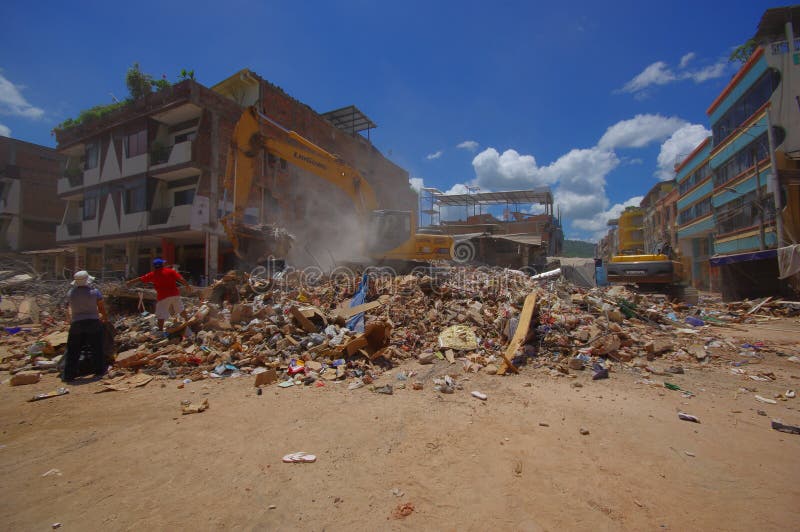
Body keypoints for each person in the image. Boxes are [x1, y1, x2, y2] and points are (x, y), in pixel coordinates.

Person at [63, 270, 108, 381]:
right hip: (93, 322)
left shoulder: (71, 293)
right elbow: (101, 307)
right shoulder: (95, 292)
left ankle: (69, 375)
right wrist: (104, 317)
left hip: (77, 323)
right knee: (97, 348)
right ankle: (100, 371)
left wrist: (69, 320)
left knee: (73, 350)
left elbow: (67, 309)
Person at [126, 258, 191, 331]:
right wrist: (187, 286)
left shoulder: (153, 274)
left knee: (161, 314)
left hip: (163, 297)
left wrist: (130, 282)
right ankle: (187, 323)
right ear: (162, 265)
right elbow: (181, 279)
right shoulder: (170, 271)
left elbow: (141, 279)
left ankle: (160, 331)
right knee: (180, 309)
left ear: (154, 266)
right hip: (174, 294)